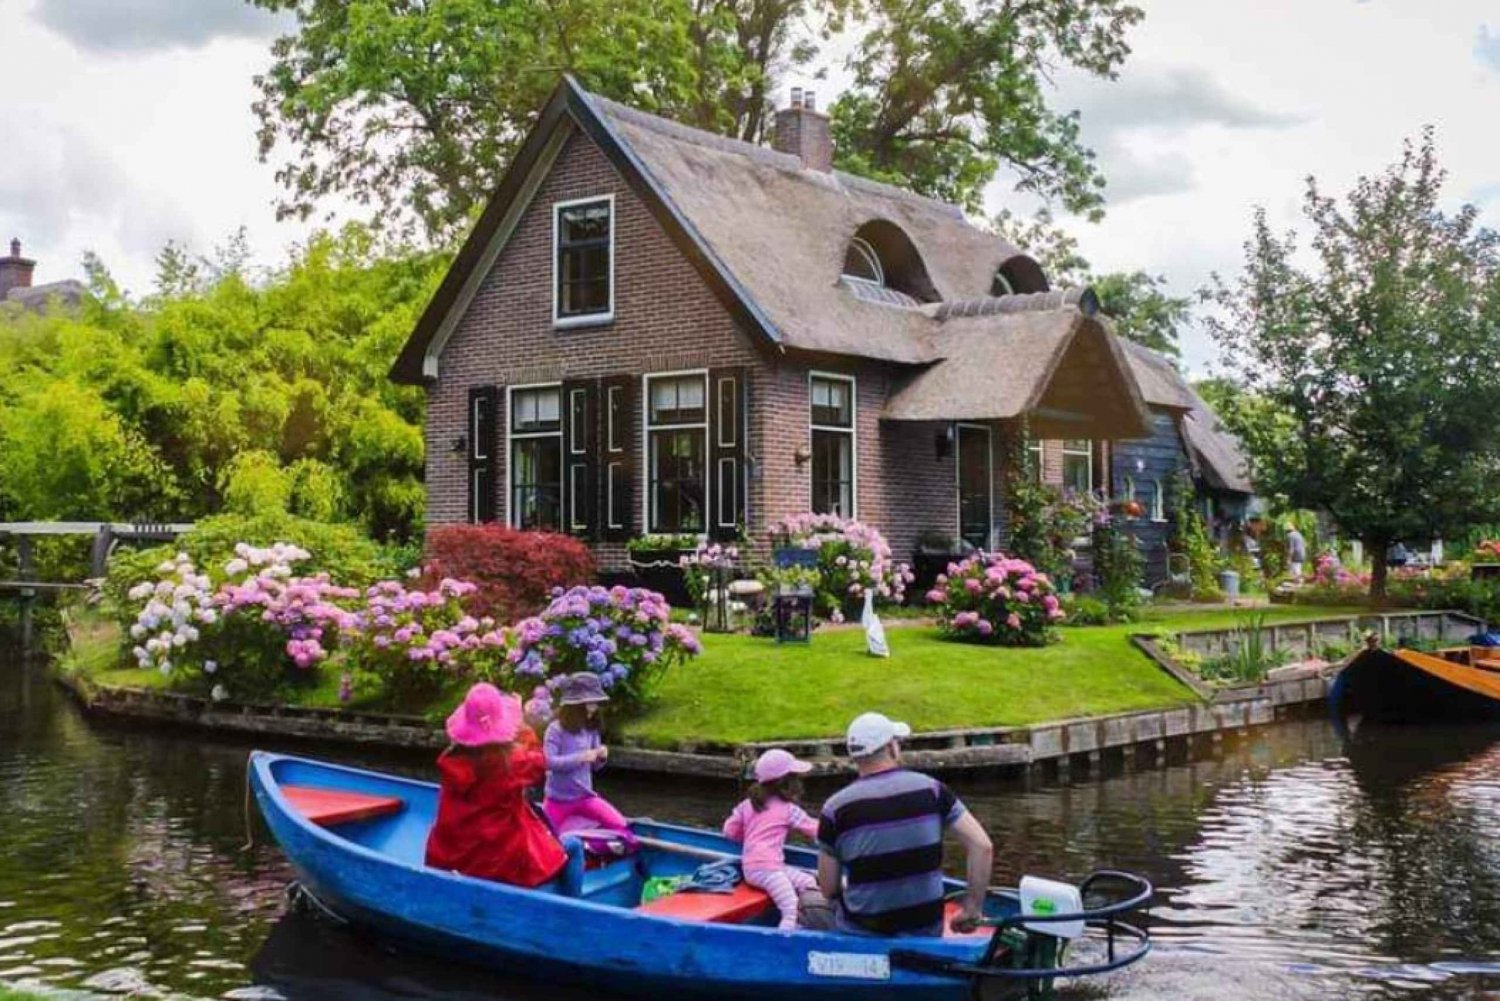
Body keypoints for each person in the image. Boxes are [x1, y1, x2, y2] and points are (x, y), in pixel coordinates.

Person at [812, 712, 993, 936]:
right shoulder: (933, 790)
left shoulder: (834, 809)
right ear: (891, 748)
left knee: (809, 904)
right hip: (926, 928)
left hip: (862, 931)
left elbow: (829, 889)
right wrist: (972, 909)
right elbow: (982, 846)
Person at [424, 683, 583, 890]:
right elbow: (540, 760)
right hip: (502, 865)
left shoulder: (450, 762)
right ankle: (571, 912)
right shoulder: (512, 764)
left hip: (452, 861)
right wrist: (522, 724)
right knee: (574, 846)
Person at [723, 748, 820, 930]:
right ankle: (786, 939)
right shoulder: (788, 809)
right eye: (796, 778)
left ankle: (806, 921)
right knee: (791, 908)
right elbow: (815, 829)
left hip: (758, 868)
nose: (799, 783)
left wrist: (750, 837)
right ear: (786, 783)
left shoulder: (747, 805)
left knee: (809, 882)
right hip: (768, 870)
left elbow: (729, 831)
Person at [542, 672, 636, 847]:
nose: (594, 707)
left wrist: (601, 758)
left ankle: (593, 847)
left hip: (585, 797)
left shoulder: (592, 729)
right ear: (576, 705)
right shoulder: (555, 730)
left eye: (595, 702)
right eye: (590, 703)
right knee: (545, 841)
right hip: (557, 800)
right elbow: (549, 762)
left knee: (620, 826)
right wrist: (582, 757)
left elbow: (595, 768)